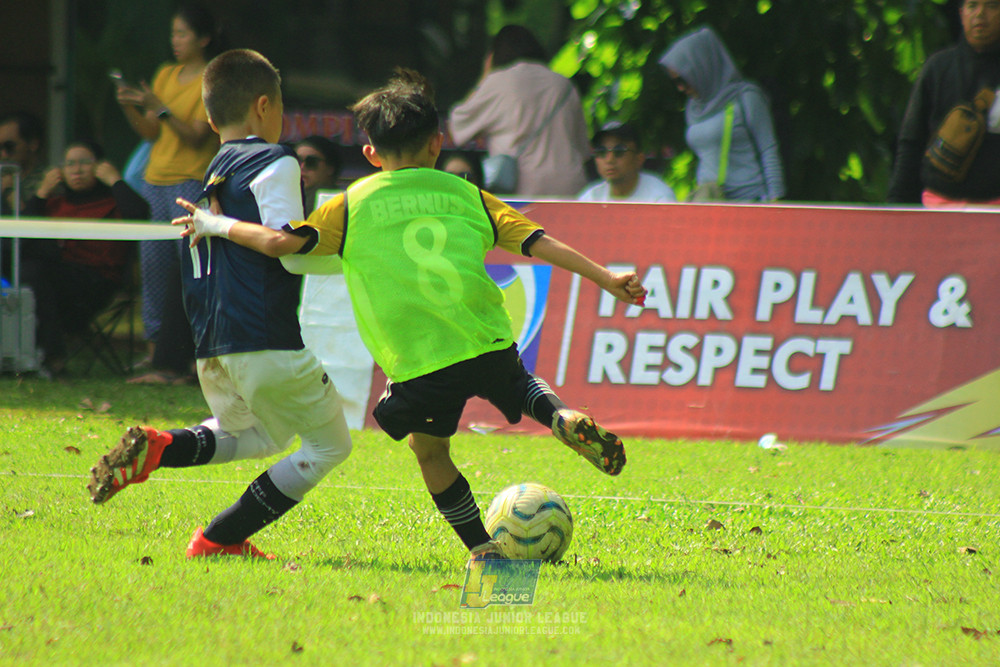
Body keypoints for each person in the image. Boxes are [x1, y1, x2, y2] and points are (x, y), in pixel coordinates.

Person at [173, 68, 646, 563]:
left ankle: (483, 549)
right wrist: (606, 278)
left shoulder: (352, 203)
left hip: (419, 362)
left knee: (432, 454)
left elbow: (282, 244)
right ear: (437, 143)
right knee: (519, 383)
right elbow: (538, 241)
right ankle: (561, 416)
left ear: (370, 155)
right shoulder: (467, 194)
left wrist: (218, 223)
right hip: (484, 337)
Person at [87, 49, 352, 560]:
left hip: (213, 344)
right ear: (263, 106)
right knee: (331, 447)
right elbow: (282, 245)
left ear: (209, 118)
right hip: (264, 337)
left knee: (255, 435)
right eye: (280, 107)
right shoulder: (276, 161)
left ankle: (161, 446)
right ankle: (217, 540)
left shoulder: (216, 168)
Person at [114, 3, 220, 383]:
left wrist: (159, 108)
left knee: (187, 272)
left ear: (203, 39)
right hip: (154, 180)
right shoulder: (165, 74)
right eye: (173, 33)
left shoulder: (213, 78)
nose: (174, 41)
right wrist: (131, 107)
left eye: (182, 34)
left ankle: (189, 355)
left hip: (189, 181)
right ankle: (155, 352)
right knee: (155, 268)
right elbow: (151, 133)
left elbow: (194, 134)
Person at [20, 140, 149, 376]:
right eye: (69, 164)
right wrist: (41, 193)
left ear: (100, 166)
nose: (76, 170)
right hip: (51, 282)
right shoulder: (53, 203)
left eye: (84, 163)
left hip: (95, 281)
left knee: (32, 272)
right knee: (25, 268)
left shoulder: (114, 203)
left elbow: (141, 216)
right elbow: (20, 237)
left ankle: (53, 357)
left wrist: (115, 180)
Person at [448, 25, 590, 197]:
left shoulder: (499, 81)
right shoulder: (564, 85)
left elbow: (458, 125)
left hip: (521, 191)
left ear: (495, 55)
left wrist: (485, 75)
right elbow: (583, 149)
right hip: (570, 188)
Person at [887, 0, 1000, 206]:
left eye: (992, 6)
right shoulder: (938, 69)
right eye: (972, 6)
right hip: (939, 210)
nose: (980, 14)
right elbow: (912, 142)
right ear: (961, 13)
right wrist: (897, 206)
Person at [658, 26, 785, 202]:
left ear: (702, 67)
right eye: (675, 82)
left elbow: (768, 148)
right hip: (711, 201)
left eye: (683, 79)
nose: (680, 88)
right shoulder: (693, 107)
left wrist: (775, 200)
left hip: (749, 201)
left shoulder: (746, 97)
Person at [577, 121, 677, 203]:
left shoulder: (659, 197)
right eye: (601, 152)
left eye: (619, 151)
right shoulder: (591, 199)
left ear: (639, 159)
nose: (609, 159)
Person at [0, 111, 46, 216]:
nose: (3, 154)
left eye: (9, 146)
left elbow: (31, 223)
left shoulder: (47, 181)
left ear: (33, 145)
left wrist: (9, 191)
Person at [295, 135, 342, 215]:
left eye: (311, 162)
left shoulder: (341, 201)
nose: (302, 167)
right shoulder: (284, 199)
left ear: (330, 168)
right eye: (297, 161)